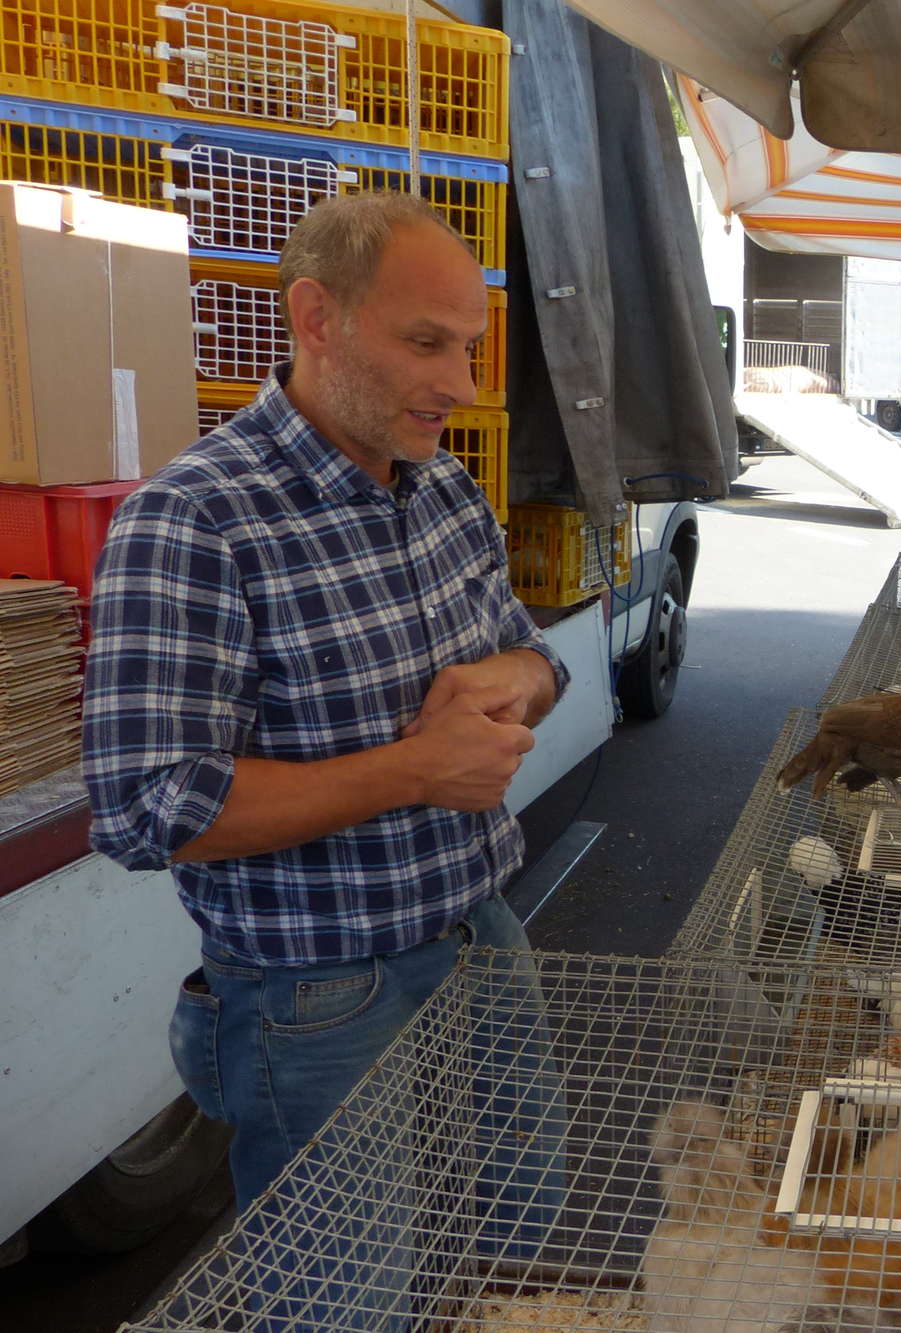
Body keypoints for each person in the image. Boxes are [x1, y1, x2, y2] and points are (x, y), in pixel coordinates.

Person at [83, 194, 568, 1301]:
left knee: (525, 1253)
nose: (460, 384)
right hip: (318, 994)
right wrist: (415, 769)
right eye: (426, 343)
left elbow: (537, 657)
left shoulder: (443, 490)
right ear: (316, 317)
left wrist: (518, 679)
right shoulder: (195, 520)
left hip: (480, 933)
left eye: (469, 348)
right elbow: (149, 807)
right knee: (351, 1300)